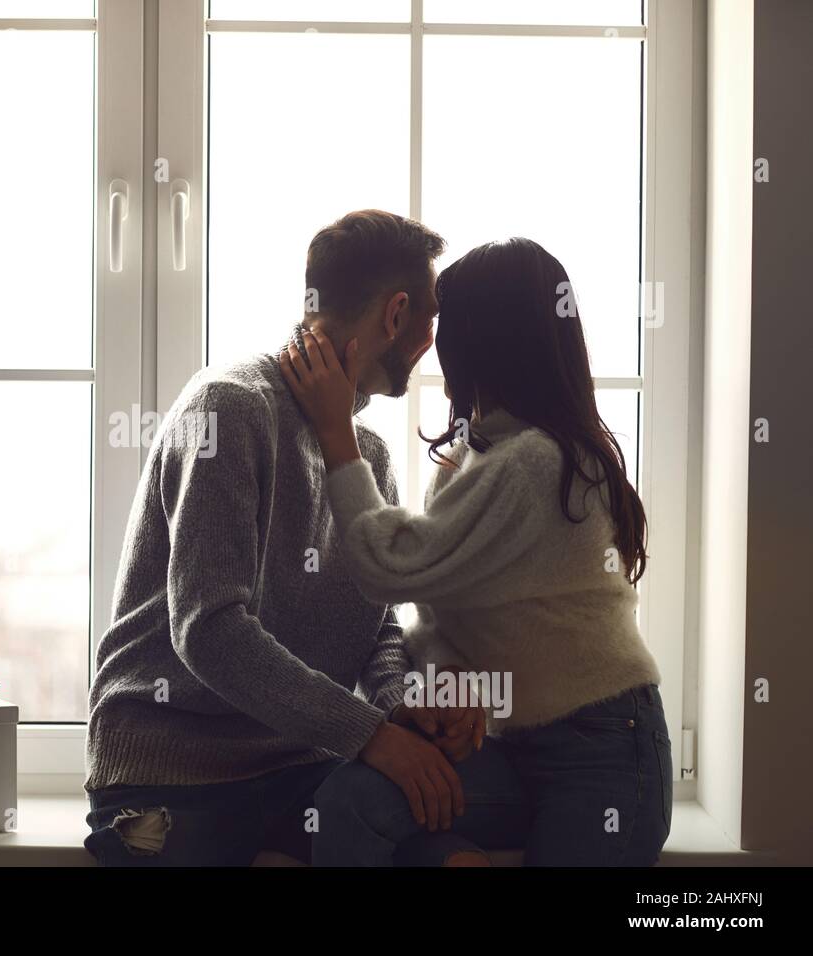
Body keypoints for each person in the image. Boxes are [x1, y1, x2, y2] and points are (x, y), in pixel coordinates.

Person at [83, 210, 487, 866]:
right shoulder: (228, 408)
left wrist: (399, 708)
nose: (430, 344)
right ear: (397, 314)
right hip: (175, 779)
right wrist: (373, 737)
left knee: (459, 860)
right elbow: (209, 630)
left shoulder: (369, 458)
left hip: (303, 769)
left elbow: (378, 625)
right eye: (429, 322)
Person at [280, 237, 673, 866]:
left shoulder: (538, 464)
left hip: (604, 751)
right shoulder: (474, 459)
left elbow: (391, 568)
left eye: (444, 323)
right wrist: (446, 685)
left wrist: (336, 435)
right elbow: (440, 614)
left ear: (485, 339)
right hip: (513, 746)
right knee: (348, 807)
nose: (431, 341)